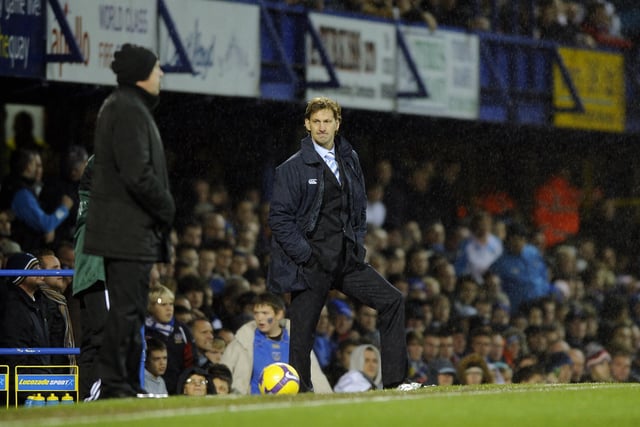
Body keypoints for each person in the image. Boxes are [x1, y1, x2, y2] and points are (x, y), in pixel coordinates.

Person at [267, 97, 407, 391]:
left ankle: (395, 381)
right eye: (315, 121)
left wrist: (356, 244)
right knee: (302, 334)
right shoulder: (291, 169)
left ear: (337, 124)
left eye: (327, 121)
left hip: (345, 259)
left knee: (392, 300)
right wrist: (305, 255)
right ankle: (299, 393)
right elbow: (279, 219)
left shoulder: (350, 158)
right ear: (307, 125)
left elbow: (358, 205)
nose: (321, 127)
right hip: (311, 263)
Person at [84, 44, 175, 399]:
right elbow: (137, 174)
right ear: (141, 74)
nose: (161, 74)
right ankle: (115, 385)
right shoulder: (126, 108)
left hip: (128, 230)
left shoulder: (127, 106)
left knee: (132, 310)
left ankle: (124, 384)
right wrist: (167, 205)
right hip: (126, 230)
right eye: (156, 69)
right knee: (126, 311)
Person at [220, 292, 331, 395]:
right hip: (254, 403)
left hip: (292, 403)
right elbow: (223, 371)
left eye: (265, 313)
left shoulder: (296, 341)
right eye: (256, 313)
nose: (259, 318)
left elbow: (315, 374)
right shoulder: (244, 340)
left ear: (279, 314)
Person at [0, 148, 73, 252]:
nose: (40, 169)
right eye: (37, 165)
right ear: (28, 167)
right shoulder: (21, 193)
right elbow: (45, 224)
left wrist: (50, 227)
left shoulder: (21, 186)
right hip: (24, 253)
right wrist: (64, 208)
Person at [0, 252, 50, 405]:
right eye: (34, 268)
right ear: (20, 275)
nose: (40, 271)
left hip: (37, 375)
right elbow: (14, 358)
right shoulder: (13, 307)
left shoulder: (38, 303)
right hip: (22, 383)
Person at [145, 284, 194, 395]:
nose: (169, 308)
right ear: (151, 307)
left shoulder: (181, 329)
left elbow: (191, 360)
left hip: (179, 388)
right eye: (163, 304)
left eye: (171, 304)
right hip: (150, 387)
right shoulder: (143, 330)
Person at [35, 249, 76, 368]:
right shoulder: (41, 302)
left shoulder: (60, 300)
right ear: (41, 274)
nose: (60, 272)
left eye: (60, 267)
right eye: (54, 268)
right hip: (52, 371)